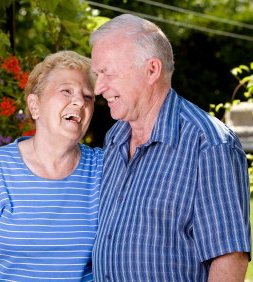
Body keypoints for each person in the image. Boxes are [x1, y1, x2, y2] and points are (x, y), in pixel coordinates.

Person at [90, 14, 251, 282]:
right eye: (97, 74)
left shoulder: (210, 144)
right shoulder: (115, 136)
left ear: (152, 70)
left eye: (108, 73)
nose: (98, 87)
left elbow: (230, 258)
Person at [0, 51, 103, 282]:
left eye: (88, 97)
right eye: (66, 91)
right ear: (34, 106)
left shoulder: (102, 167)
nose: (80, 101)